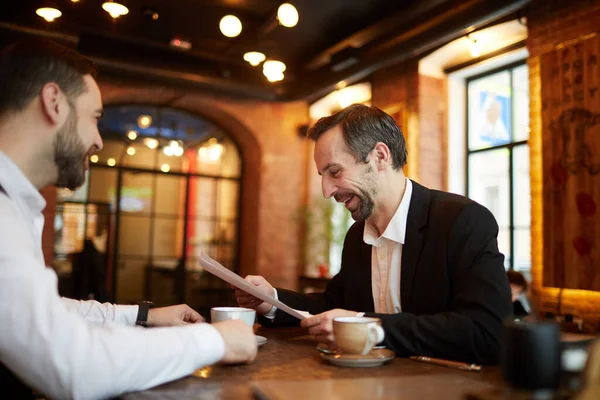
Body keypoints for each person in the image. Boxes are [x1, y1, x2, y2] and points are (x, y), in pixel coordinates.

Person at [0, 39, 256, 400]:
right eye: (95, 117)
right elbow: (73, 363)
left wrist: (142, 316)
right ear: (54, 102)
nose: (99, 141)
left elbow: (43, 313)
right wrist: (214, 340)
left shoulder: (11, 203)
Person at [235, 104, 512, 365]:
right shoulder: (357, 236)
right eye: (323, 175)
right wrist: (270, 300)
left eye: (335, 172)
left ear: (380, 156)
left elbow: (487, 333)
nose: (326, 190)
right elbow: (333, 306)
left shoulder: (462, 221)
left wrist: (367, 326)